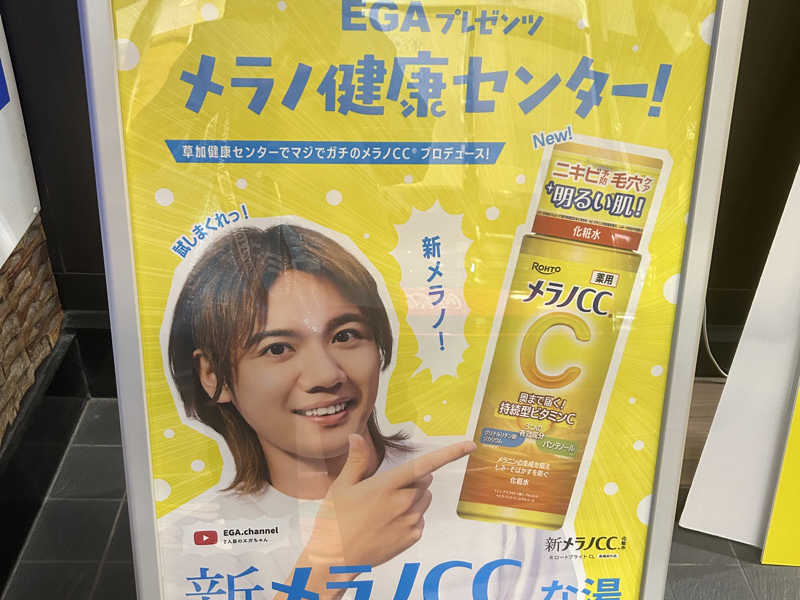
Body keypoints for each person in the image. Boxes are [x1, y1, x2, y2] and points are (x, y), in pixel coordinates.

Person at [160, 223, 575, 600]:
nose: (326, 374)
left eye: (345, 336)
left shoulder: (491, 486)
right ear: (212, 375)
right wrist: (329, 565)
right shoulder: (186, 540)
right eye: (277, 348)